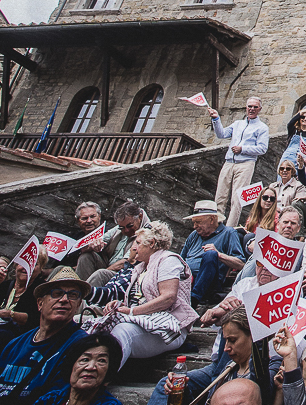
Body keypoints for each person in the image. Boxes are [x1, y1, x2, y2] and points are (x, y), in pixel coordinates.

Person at [0, 267, 90, 404]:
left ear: (78, 305)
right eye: (57, 293)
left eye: (73, 295)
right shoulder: (15, 344)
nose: (64, 299)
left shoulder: (80, 345)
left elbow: (58, 396)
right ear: (40, 303)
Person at [101, 222, 197, 367]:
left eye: (138, 242)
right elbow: (138, 300)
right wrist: (119, 305)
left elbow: (168, 298)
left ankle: (103, 380)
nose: (133, 247)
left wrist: (132, 311)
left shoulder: (168, 260)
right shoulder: (140, 267)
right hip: (144, 321)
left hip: (169, 327)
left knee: (122, 331)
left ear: (151, 243)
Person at [146, 307, 268, 405]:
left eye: (232, 340)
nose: (226, 348)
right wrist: (183, 391)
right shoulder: (228, 365)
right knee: (167, 385)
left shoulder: (265, 370)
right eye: (226, 340)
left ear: (252, 336)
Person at [210, 96, 270, 228]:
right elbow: (222, 134)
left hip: (246, 164)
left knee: (237, 200)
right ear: (246, 107)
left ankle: (229, 228)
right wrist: (216, 119)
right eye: (249, 106)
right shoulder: (238, 124)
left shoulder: (262, 128)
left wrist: (242, 149)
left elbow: (262, 148)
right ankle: (216, 225)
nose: (252, 109)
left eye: (255, 107)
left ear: (259, 109)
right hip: (229, 162)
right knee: (220, 195)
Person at [179, 200, 247, 306]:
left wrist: (218, 254)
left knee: (210, 254)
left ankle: (194, 300)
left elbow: (241, 264)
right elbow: (180, 260)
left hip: (210, 285)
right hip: (187, 280)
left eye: (198, 222)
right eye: (194, 222)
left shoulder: (228, 233)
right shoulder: (194, 234)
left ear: (212, 219)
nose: (195, 226)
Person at [33, 332, 124, 405]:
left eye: (101, 361)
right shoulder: (50, 400)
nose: (90, 367)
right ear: (71, 365)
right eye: (85, 359)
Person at [70, 202, 109, 279]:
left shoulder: (108, 233)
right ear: (78, 221)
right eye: (84, 218)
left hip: (100, 273)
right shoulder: (75, 238)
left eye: (92, 217)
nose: (89, 221)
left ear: (99, 217)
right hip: (74, 273)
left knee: (85, 257)